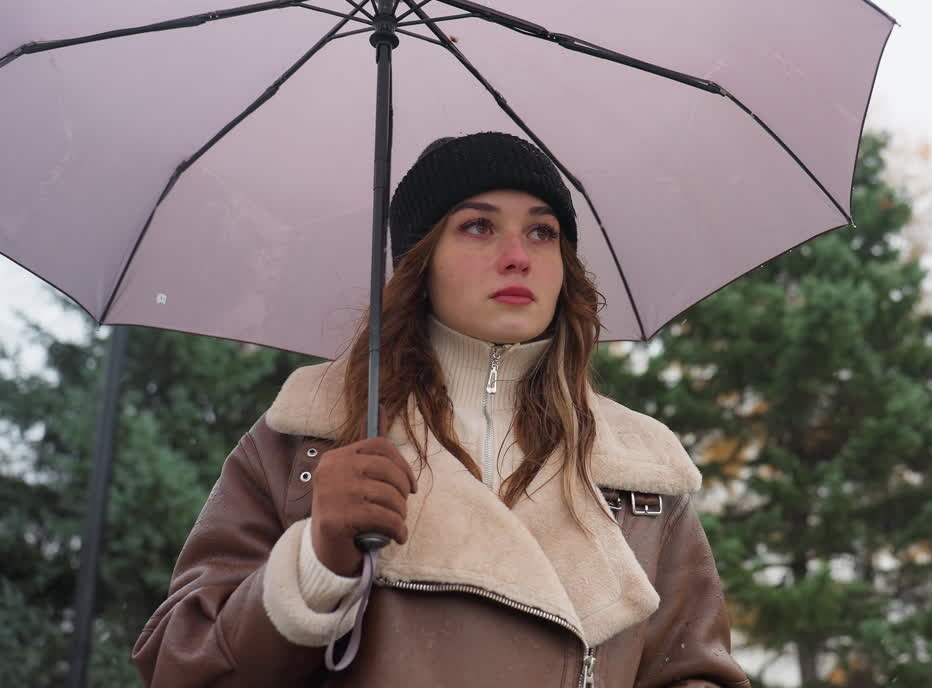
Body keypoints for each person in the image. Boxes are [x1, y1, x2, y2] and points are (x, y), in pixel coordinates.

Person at [131, 132, 751, 687]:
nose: (518, 256)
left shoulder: (641, 475)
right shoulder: (303, 443)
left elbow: (695, 671)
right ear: (418, 262)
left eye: (543, 231)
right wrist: (316, 561)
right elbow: (184, 667)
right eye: (478, 226)